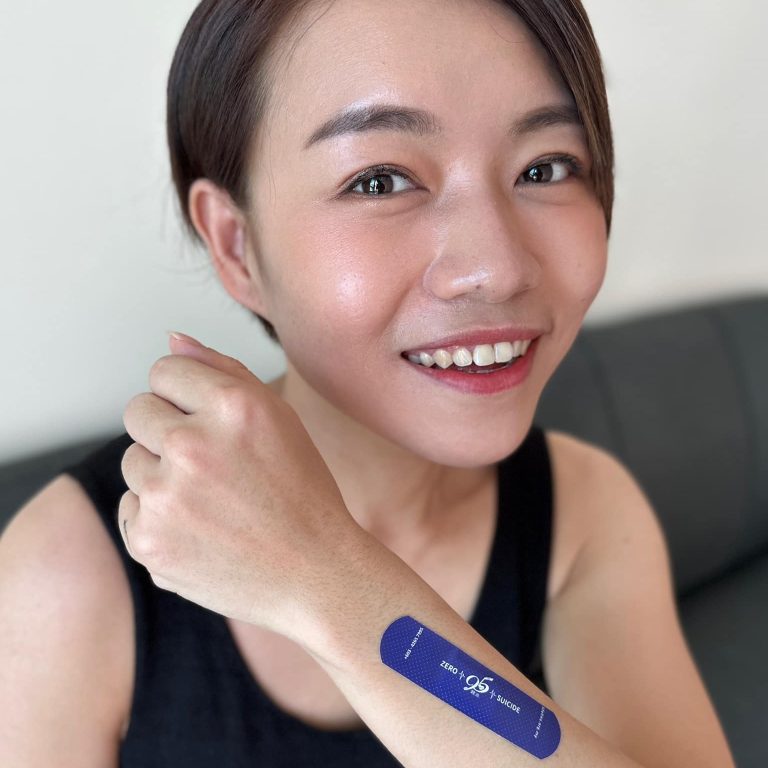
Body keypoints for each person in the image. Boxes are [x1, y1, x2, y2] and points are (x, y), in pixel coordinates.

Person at [0, 1, 735, 766]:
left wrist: (326, 579)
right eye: (381, 181)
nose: (497, 268)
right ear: (238, 244)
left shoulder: (585, 517)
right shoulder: (65, 577)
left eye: (545, 168)